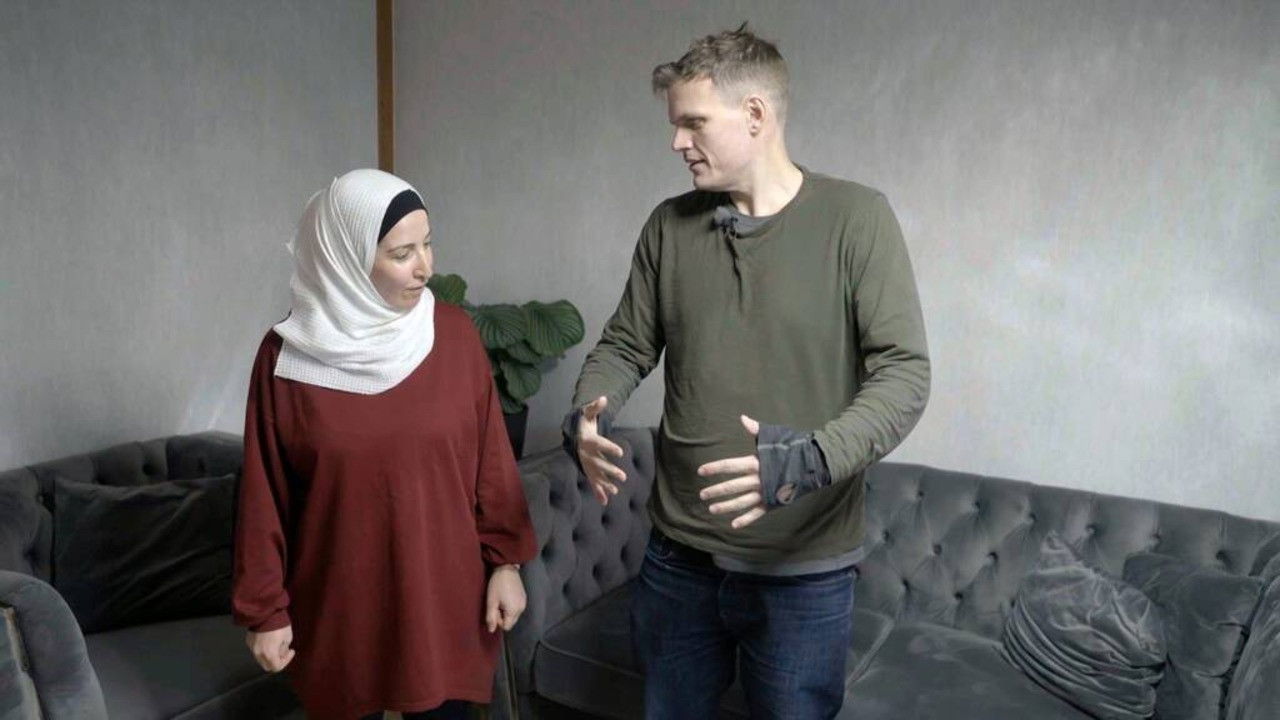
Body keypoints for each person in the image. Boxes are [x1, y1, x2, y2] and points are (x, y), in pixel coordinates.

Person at [563, 24, 930, 719]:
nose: (677, 142)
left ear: (755, 114)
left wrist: (807, 460)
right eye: (675, 125)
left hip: (802, 573)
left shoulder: (857, 219)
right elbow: (625, 344)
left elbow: (904, 376)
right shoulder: (669, 226)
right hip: (678, 559)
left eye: (693, 123)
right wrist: (589, 410)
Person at [233, 168, 537, 720]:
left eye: (427, 244)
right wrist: (265, 611)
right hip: (339, 607)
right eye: (402, 253)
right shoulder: (286, 358)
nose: (425, 267)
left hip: (445, 599)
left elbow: (491, 462)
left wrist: (506, 564)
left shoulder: (454, 336)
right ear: (346, 259)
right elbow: (263, 496)